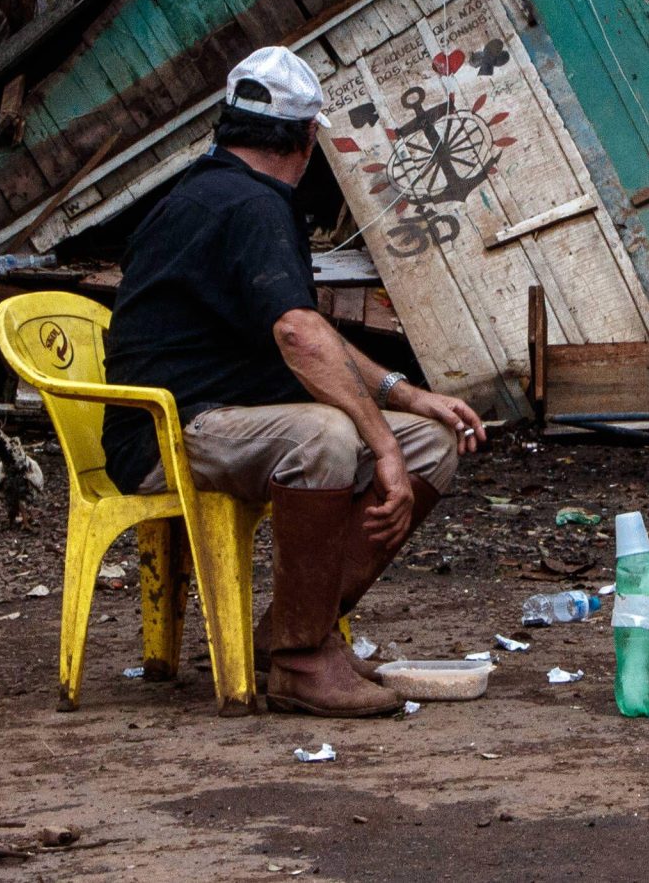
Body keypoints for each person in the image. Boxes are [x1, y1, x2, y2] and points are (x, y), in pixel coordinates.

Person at [102, 46, 486, 718]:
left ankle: (286, 632)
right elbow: (299, 336)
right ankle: (302, 662)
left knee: (433, 441)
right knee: (328, 435)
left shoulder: (220, 192)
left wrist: (408, 397)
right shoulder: (252, 205)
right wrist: (381, 447)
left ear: (228, 124)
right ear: (310, 139)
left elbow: (308, 332)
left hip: (230, 418)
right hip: (168, 432)